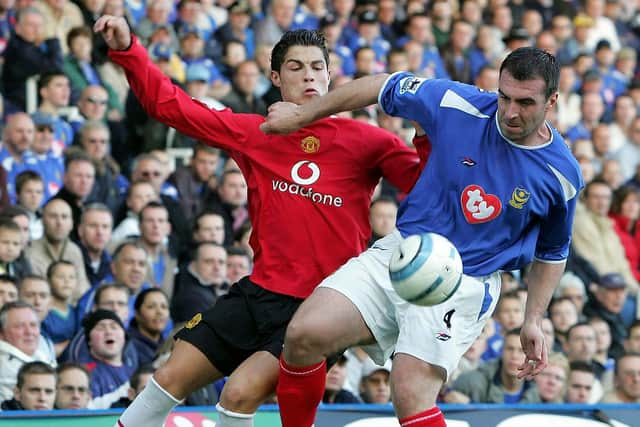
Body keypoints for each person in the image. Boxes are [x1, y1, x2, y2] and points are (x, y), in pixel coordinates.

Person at [95, 15, 422, 427]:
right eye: (295, 67)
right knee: (166, 378)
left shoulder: (370, 141)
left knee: (238, 393)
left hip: (321, 309)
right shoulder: (256, 132)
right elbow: (170, 105)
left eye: (317, 67)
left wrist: (428, 132)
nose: (309, 76)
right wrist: (128, 49)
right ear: (274, 76)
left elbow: (425, 185)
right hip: (258, 292)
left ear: (330, 74)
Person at [261, 46, 583, 427]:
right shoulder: (456, 103)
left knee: (410, 394)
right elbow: (382, 86)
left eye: (525, 102)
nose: (511, 112)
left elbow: (552, 251)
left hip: (465, 281)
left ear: (552, 101)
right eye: (504, 97)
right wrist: (303, 114)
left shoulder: (561, 174)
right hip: (405, 249)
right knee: (303, 335)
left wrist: (533, 318)